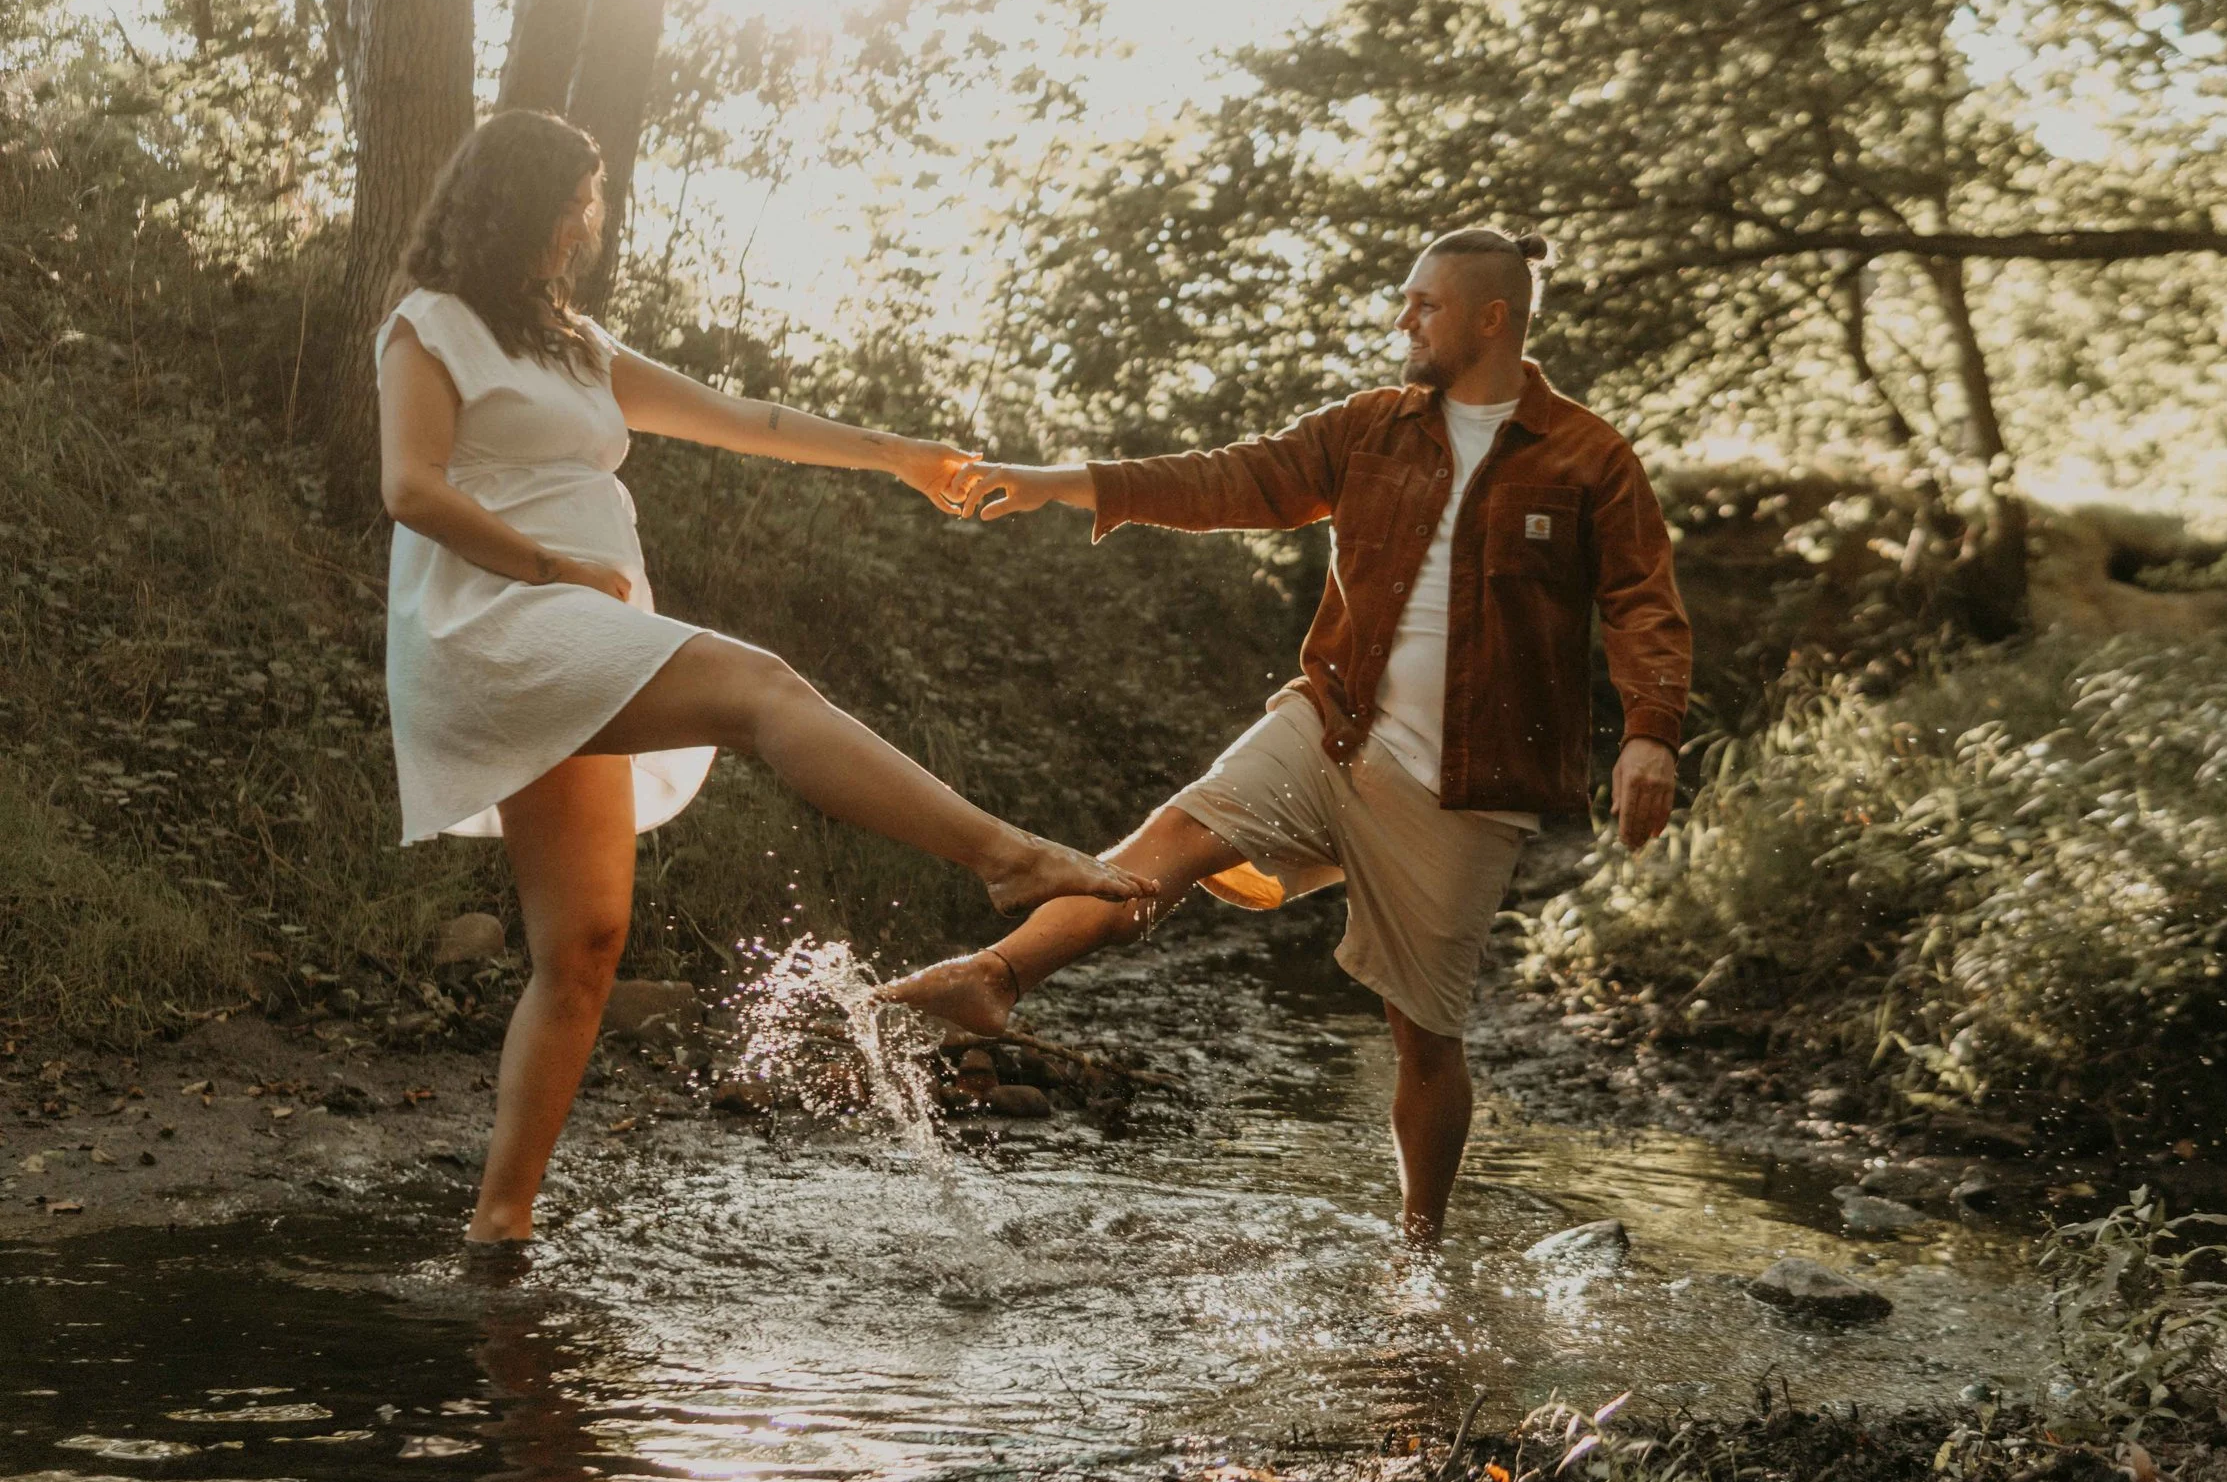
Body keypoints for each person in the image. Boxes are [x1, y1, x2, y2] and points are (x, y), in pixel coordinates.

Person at [374, 110, 1151, 1249]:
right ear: (514, 201)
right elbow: (409, 487)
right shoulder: (428, 326)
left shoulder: (572, 341)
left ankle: (501, 1224)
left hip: (578, 632)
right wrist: (552, 563)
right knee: (762, 688)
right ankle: (1002, 855)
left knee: (584, 946)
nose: (588, 221)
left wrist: (897, 455)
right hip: (496, 623)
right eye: (574, 199)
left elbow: (746, 419)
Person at [886, 227, 1692, 1242]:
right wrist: (1066, 480)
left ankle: (1419, 1248)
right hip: (1333, 724)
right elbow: (1233, 477)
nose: (1403, 320)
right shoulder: (1371, 427)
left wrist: (1649, 733)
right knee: (1163, 849)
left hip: (1468, 785)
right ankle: (997, 976)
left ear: (1492, 317)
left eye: (1424, 304)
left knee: (1426, 1040)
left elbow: (1641, 601)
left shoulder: (1589, 456)